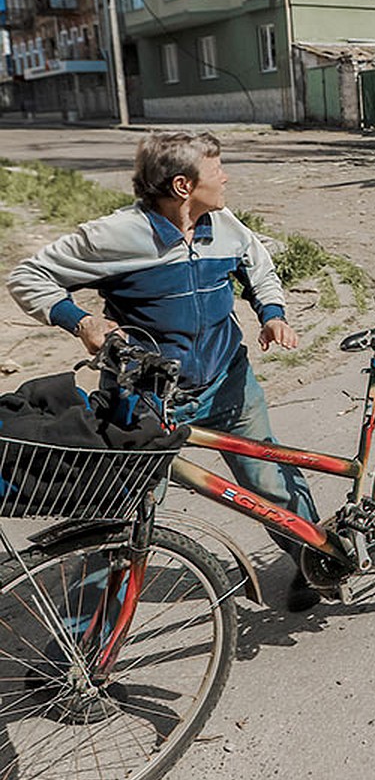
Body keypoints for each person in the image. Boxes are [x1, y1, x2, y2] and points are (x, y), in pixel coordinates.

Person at [7, 131, 321, 612]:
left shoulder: (224, 224)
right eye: (217, 170)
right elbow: (28, 275)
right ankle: (83, 644)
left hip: (228, 387)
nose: (226, 177)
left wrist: (273, 312)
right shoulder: (115, 236)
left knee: (270, 485)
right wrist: (81, 321)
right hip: (146, 401)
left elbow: (256, 264)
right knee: (117, 515)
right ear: (183, 186)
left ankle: (315, 563)